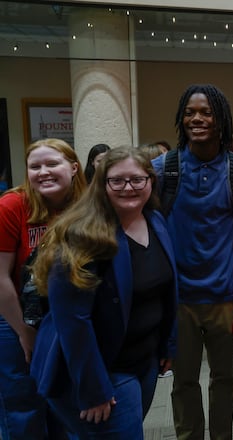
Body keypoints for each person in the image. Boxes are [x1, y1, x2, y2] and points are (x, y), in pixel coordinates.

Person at [30, 146, 178, 438]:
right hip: (101, 370)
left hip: (142, 360)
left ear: (150, 181)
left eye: (137, 179)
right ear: (101, 185)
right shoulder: (82, 235)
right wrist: (93, 388)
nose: (128, 188)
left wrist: (167, 346)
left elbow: (165, 292)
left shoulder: (155, 221)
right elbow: (73, 322)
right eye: (117, 180)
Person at [152, 84, 233, 440]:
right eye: (190, 112)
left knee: (225, 378)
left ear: (221, 120)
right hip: (178, 297)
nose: (196, 119)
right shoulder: (160, 170)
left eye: (206, 112)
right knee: (182, 380)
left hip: (225, 296)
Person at [0, 138, 86, 439]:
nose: (43, 172)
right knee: (24, 407)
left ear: (74, 167)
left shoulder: (87, 206)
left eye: (52, 164)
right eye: (34, 166)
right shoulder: (12, 206)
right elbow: (0, 278)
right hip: (13, 317)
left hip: (62, 316)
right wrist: (25, 332)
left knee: (63, 403)